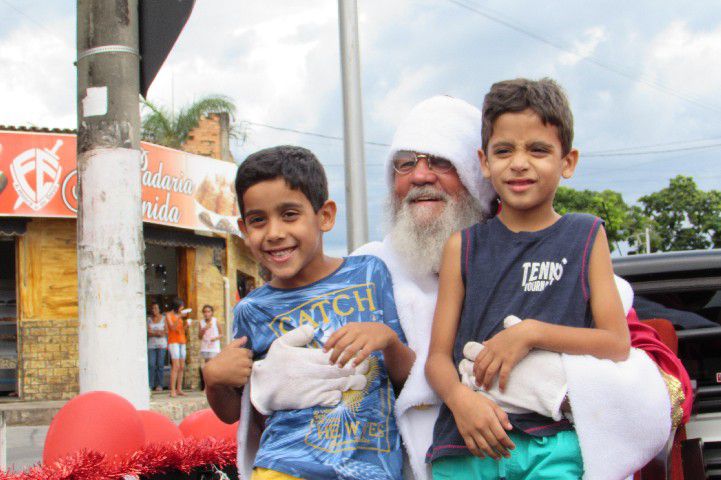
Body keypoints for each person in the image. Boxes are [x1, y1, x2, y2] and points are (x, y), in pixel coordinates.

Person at [206, 96, 692, 480]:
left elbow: (662, 380)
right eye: (404, 164)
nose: (420, 176)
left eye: (439, 161)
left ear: (475, 169)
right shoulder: (361, 271)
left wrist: (554, 375)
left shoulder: (566, 256)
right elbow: (286, 391)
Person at [426, 78, 632, 478]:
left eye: (538, 150)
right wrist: (458, 399)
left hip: (555, 441)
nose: (519, 162)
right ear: (485, 162)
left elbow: (615, 343)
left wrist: (531, 333)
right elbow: (437, 357)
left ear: (567, 161)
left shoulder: (586, 235)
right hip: (467, 441)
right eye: (504, 151)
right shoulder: (461, 247)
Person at [228, 145, 415, 479]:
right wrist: (215, 382)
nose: (274, 233)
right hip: (281, 468)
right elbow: (240, 412)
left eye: (289, 214)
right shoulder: (251, 310)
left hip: (372, 469)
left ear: (325, 215)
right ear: (244, 229)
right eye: (258, 220)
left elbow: (409, 379)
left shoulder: (371, 273)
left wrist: (388, 340)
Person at [166, 297, 190, 397]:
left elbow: (181, 330)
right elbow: (172, 327)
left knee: (181, 366)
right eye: (181, 306)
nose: (182, 308)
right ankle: (172, 390)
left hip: (182, 341)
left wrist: (186, 326)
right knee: (175, 366)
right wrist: (179, 317)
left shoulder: (179, 316)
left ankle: (179, 389)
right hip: (173, 342)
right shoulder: (169, 315)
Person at [147, 301, 168, 392]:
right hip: (151, 345)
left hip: (161, 345)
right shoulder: (149, 319)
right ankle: (151, 385)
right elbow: (148, 332)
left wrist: (154, 332)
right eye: (152, 308)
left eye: (156, 308)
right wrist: (158, 332)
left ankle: (159, 385)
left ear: (159, 309)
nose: (154, 310)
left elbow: (165, 332)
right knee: (151, 365)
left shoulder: (164, 318)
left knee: (160, 365)